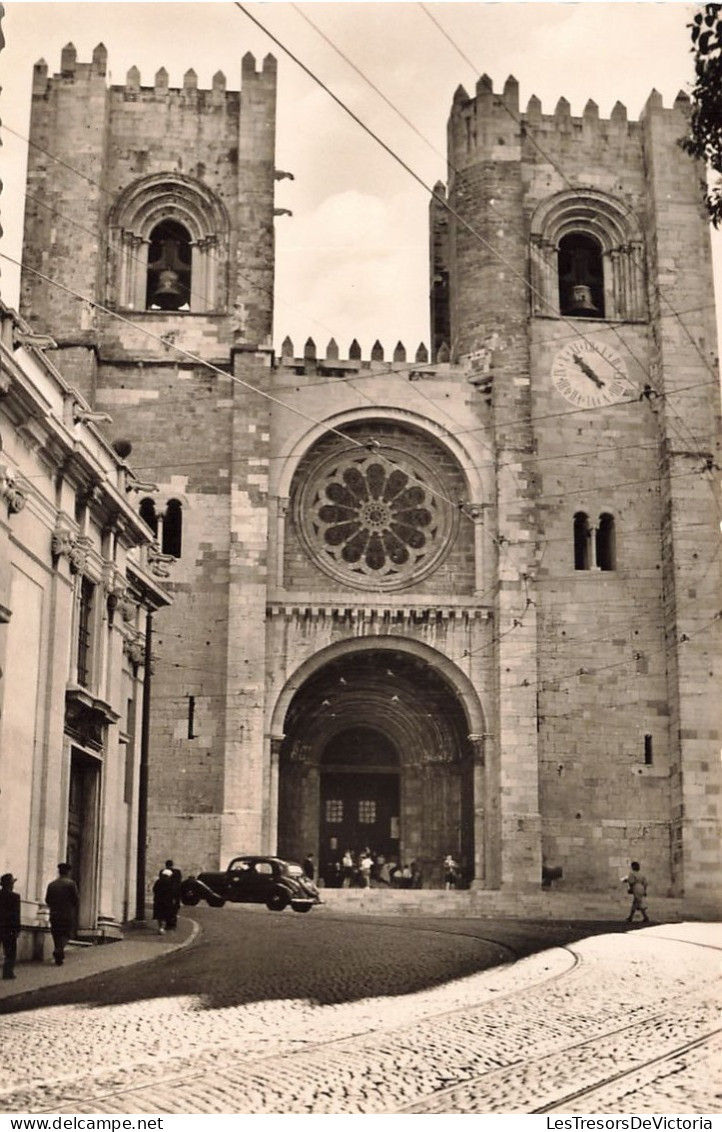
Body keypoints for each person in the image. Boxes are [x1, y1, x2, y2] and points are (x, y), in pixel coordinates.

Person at [45, 863, 79, 966]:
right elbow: (75, 899)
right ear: (68, 872)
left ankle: (58, 956)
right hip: (67, 914)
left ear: (59, 872)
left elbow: (47, 900)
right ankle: (59, 950)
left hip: (54, 914)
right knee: (66, 934)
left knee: (56, 934)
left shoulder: (52, 884)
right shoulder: (71, 884)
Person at [0, 873, 21, 980]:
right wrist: (17, 929)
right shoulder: (15, 897)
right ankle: (8, 973)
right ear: (10, 884)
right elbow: (16, 915)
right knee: (10, 953)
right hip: (9, 929)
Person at [152, 867, 177, 934]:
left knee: (159, 916)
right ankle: (164, 927)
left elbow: (154, 890)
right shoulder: (170, 883)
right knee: (166, 914)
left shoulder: (158, 882)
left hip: (158, 901)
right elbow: (173, 892)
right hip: (167, 901)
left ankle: (160, 928)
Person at [164, 859, 182, 929]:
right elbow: (178, 882)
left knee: (167, 908)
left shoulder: (163, 871)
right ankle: (172, 923)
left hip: (167, 893)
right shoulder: (177, 872)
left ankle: (169, 923)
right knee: (174, 908)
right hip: (175, 893)